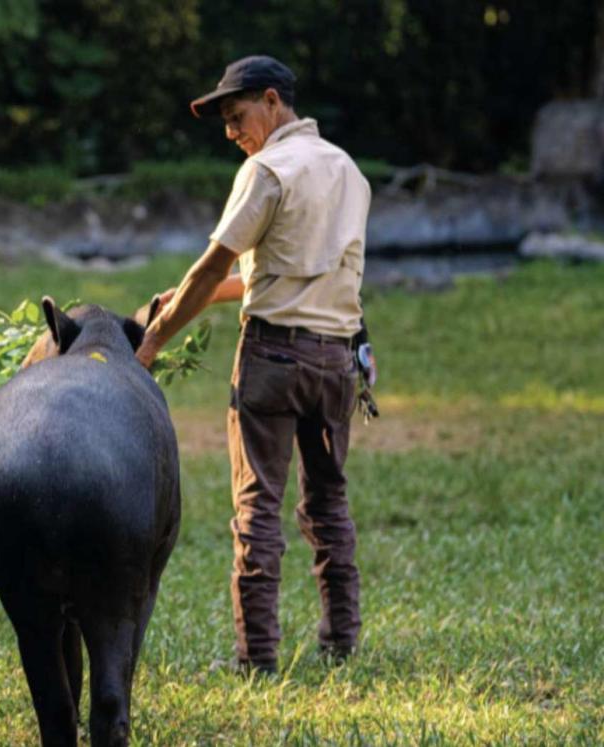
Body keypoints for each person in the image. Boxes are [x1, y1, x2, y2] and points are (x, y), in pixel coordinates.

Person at [135, 55, 371, 674]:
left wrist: (155, 336)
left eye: (236, 117)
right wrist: (186, 300)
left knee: (257, 507)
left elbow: (216, 263)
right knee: (329, 504)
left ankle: (256, 659)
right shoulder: (347, 171)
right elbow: (278, 274)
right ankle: (341, 644)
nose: (231, 133)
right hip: (336, 363)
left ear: (272, 100)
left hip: (271, 361)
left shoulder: (266, 172)